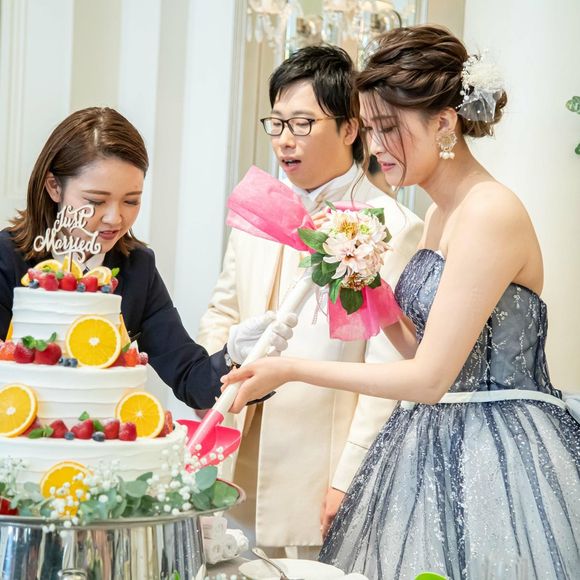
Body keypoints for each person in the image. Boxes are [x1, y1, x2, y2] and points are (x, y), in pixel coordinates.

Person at [221, 26, 580, 579]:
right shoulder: (440, 213)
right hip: (434, 433)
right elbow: (420, 347)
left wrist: (290, 369)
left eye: (390, 128)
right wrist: (366, 282)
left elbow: (429, 378)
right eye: (370, 129)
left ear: (444, 122)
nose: (376, 146)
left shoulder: (489, 212)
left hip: (495, 447)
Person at [197, 45, 422, 557]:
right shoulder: (259, 208)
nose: (284, 140)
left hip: (314, 472)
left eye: (302, 124)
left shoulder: (390, 226)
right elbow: (222, 311)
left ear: (349, 129)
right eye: (276, 124)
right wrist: (213, 384)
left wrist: (350, 477)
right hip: (231, 449)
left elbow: (387, 370)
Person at [0, 107, 295, 410]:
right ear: (54, 187)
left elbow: (191, 378)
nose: (115, 218)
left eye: (131, 201)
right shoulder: (6, 259)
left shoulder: (137, 269)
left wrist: (237, 355)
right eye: (96, 201)